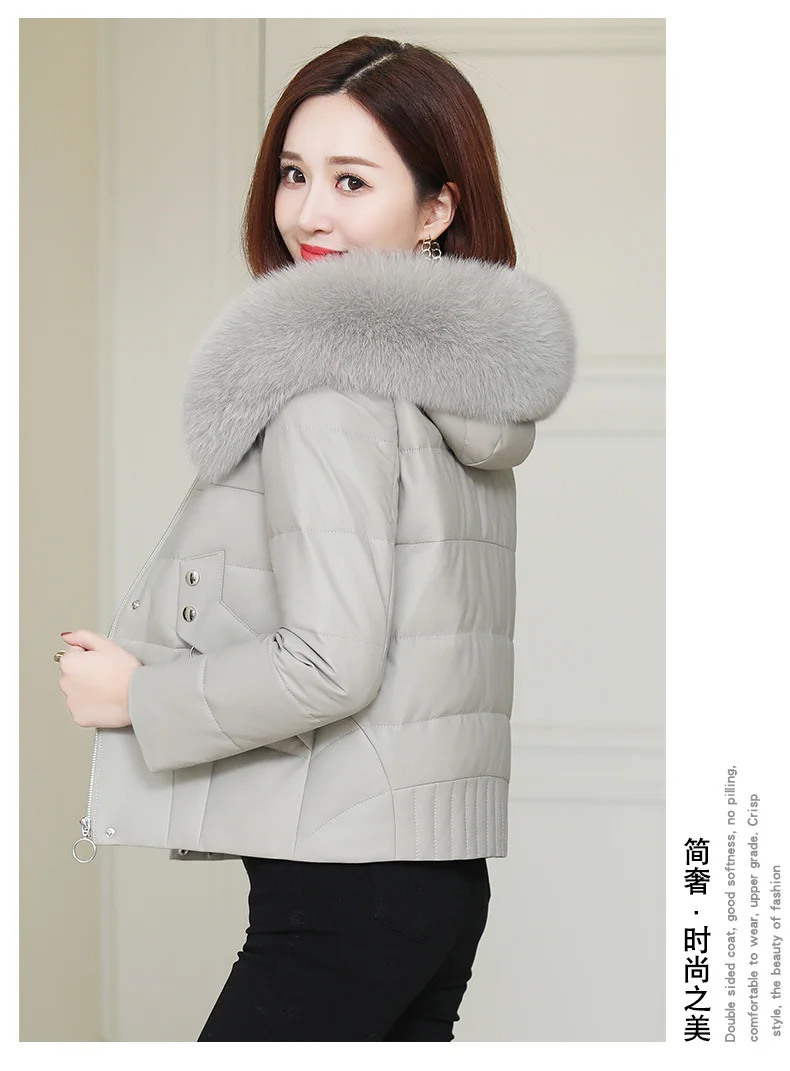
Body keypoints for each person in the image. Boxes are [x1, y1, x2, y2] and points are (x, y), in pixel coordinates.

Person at [55, 35, 576, 1042]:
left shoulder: (329, 385)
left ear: (437, 208)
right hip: (438, 878)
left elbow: (332, 663)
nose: (307, 214)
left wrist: (135, 696)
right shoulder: (457, 396)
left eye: (351, 180)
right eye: (295, 174)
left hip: (341, 885)